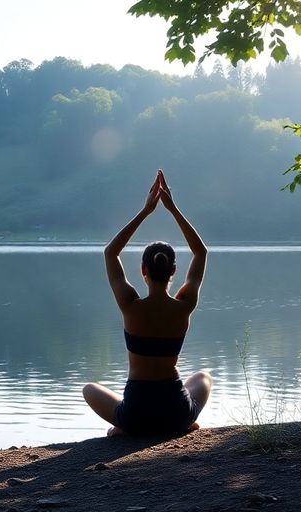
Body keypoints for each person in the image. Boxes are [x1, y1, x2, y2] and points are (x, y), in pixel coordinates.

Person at [82, 169, 213, 436]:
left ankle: (124, 428)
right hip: (175, 411)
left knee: (89, 389)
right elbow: (201, 252)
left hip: (136, 412)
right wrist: (173, 209)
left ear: (143, 270)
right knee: (203, 377)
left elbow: (110, 252)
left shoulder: (130, 305)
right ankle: (182, 425)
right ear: (173, 272)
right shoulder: (184, 305)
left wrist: (146, 211)